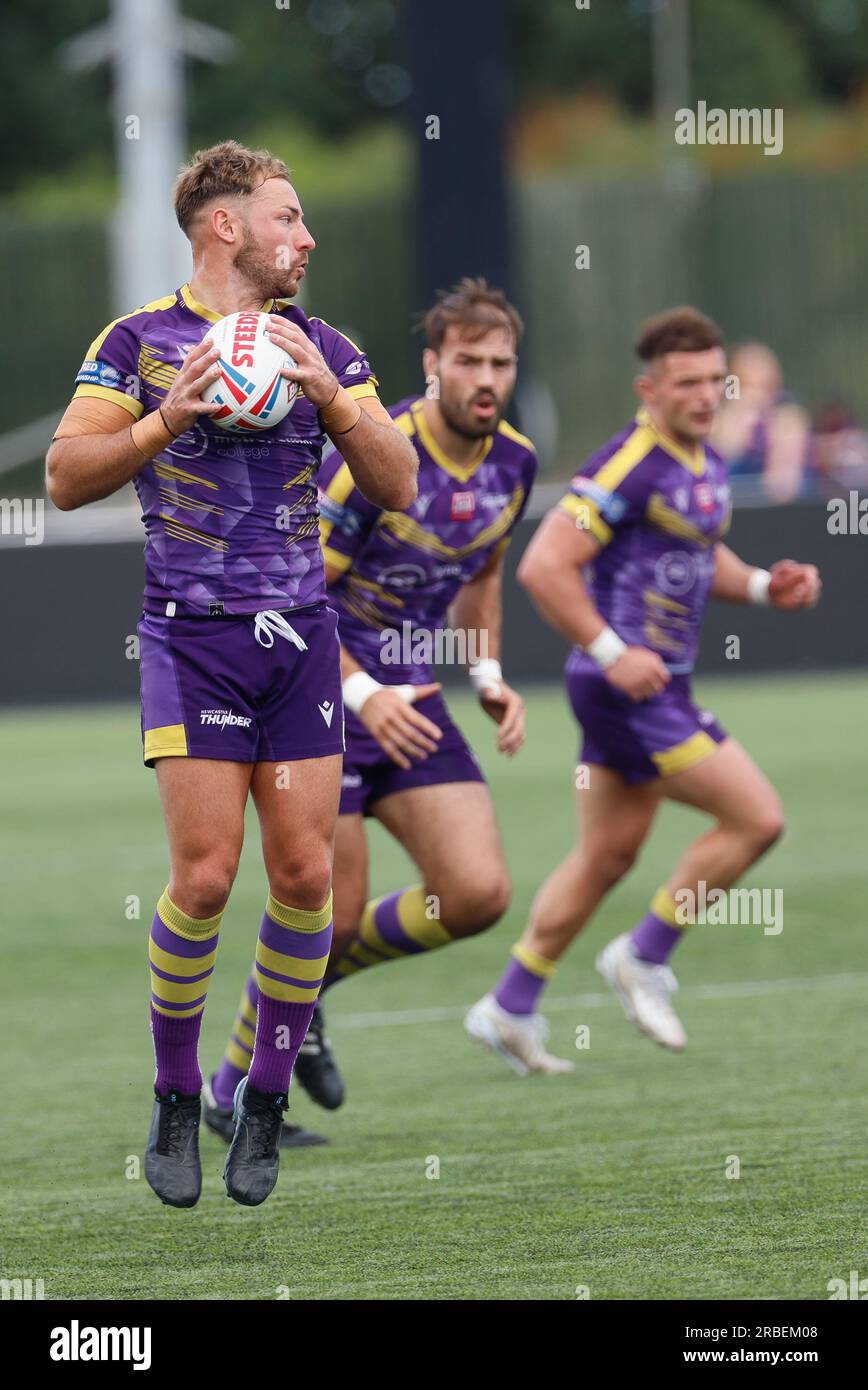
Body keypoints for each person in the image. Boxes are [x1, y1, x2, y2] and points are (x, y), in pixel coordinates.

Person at [45, 140, 417, 1206]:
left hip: (299, 639)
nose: (306, 239)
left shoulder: (326, 347)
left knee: (305, 880)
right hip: (190, 633)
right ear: (226, 226)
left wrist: (331, 399)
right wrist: (173, 415)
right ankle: (171, 1096)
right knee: (205, 878)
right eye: (289, 219)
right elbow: (66, 477)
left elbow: (399, 486)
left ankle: (258, 1099)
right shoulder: (138, 342)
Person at [206, 278, 537, 1124]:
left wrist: (489, 675)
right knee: (334, 911)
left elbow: (486, 570)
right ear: (434, 366)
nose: (486, 377)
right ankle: (226, 1092)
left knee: (476, 895)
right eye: (468, 360)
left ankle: (309, 991)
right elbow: (297, 591)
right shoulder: (375, 456)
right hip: (325, 698)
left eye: (501, 361)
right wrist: (360, 688)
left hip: (414, 700)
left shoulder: (516, 463)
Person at [465, 307, 821, 1075]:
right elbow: (543, 566)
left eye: (712, 381)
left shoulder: (704, 458)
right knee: (757, 818)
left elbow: (702, 554)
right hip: (626, 688)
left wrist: (764, 587)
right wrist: (611, 649)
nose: (703, 395)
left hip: (656, 683)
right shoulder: (630, 463)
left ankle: (510, 1005)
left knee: (607, 855)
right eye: (685, 382)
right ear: (649, 387)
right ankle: (644, 957)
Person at [711, 342, 810, 503]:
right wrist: (739, 414)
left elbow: (785, 482)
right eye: (747, 385)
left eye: (762, 387)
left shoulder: (786, 417)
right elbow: (723, 454)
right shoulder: (723, 415)